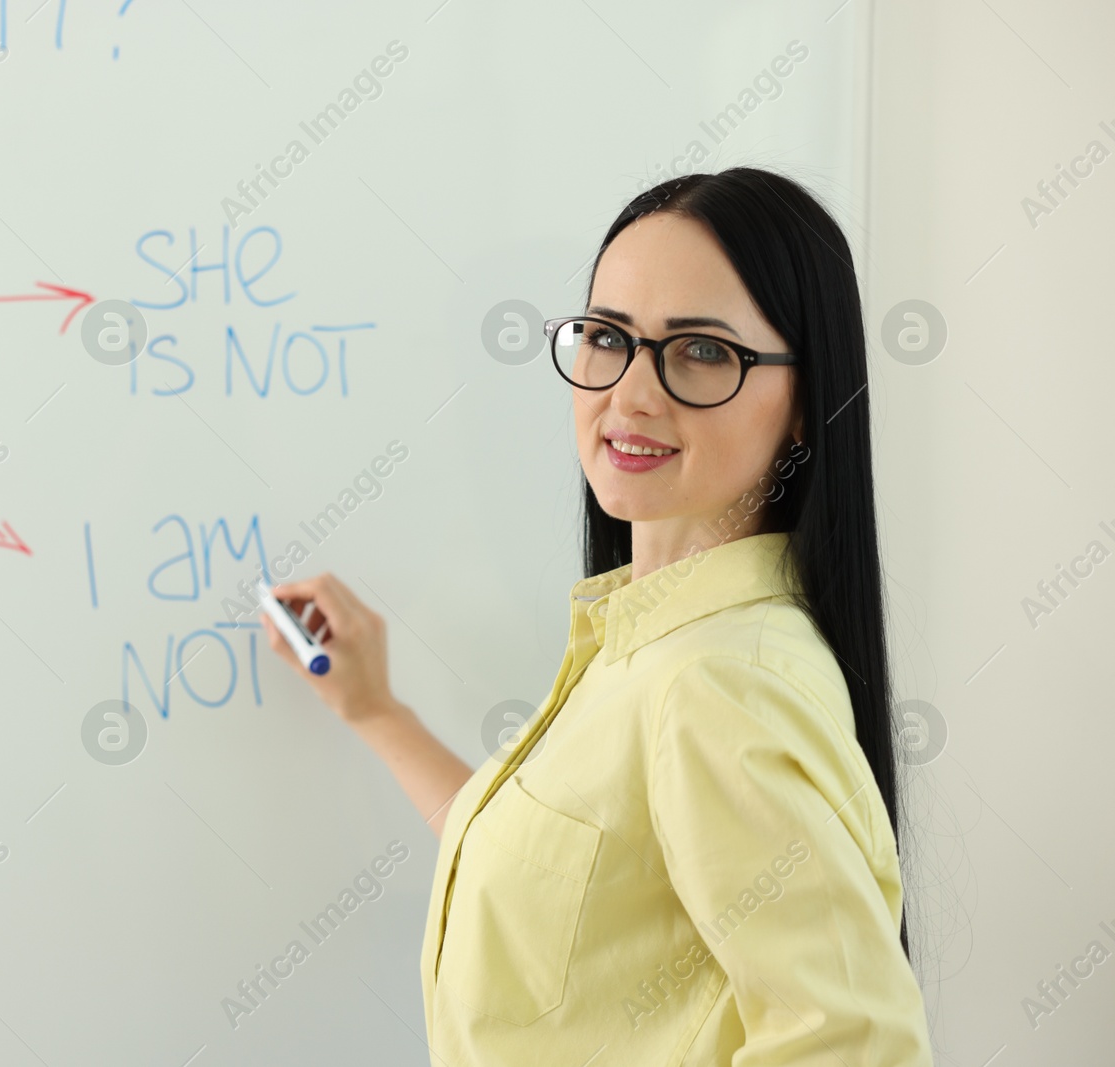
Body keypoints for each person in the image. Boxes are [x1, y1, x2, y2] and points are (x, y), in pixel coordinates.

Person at [260, 167, 932, 1065]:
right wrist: (379, 712)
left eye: (701, 350)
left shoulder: (719, 683)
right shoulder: (649, 645)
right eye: (607, 337)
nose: (631, 393)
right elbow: (555, 871)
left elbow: (855, 1043)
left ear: (808, 399)